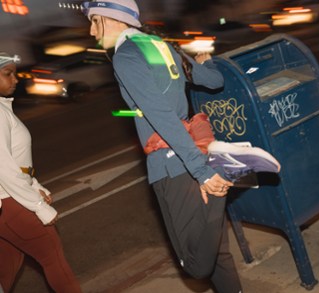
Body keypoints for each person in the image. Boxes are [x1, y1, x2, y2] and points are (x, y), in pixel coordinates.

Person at [82, 1, 280, 292]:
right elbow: (214, 81)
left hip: (174, 165)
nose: (90, 30)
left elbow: (160, 115)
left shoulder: (126, 55)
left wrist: (204, 173)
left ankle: (225, 174)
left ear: (112, 17)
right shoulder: (158, 44)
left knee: (195, 265)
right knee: (218, 254)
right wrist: (205, 62)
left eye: (94, 20)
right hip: (194, 152)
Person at [0, 52, 82, 293]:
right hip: (12, 203)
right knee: (54, 259)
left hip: (7, 203)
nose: (15, 79)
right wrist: (37, 205)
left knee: (6, 269)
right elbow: (3, 168)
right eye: (7, 74)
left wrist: (35, 186)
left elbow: (16, 163)